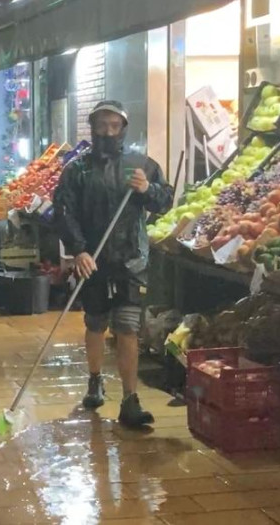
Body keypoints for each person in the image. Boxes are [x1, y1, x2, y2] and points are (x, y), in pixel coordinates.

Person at [53, 100, 173, 428]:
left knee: (127, 327)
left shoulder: (141, 165)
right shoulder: (76, 170)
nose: (107, 131)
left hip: (130, 261)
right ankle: (95, 380)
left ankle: (130, 399)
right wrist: (78, 251)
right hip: (91, 261)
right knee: (95, 323)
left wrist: (148, 189)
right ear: (92, 127)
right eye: (102, 125)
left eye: (114, 125)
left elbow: (166, 201)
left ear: (122, 128)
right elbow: (63, 211)